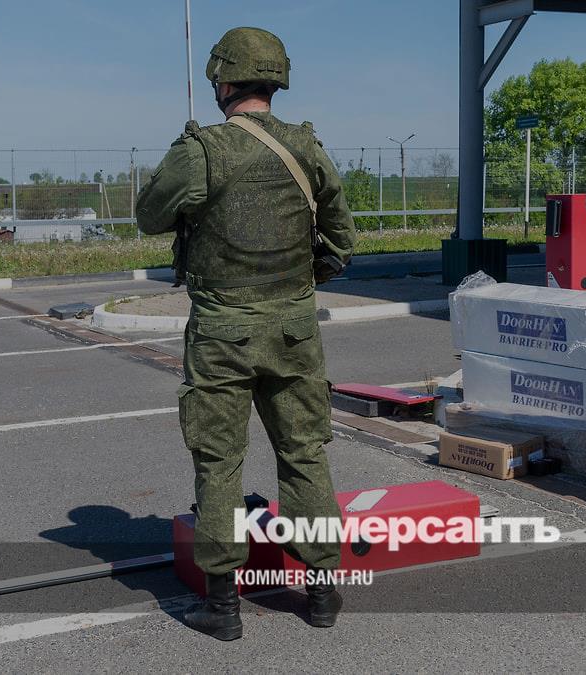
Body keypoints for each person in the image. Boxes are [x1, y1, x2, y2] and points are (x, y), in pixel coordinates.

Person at [137, 27, 356, 640]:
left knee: (219, 463)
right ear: (274, 80)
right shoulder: (307, 148)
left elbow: (150, 216)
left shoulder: (202, 151)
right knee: (305, 453)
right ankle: (322, 592)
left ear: (224, 81)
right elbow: (342, 239)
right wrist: (298, 284)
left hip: (221, 334)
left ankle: (223, 606)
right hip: (293, 331)